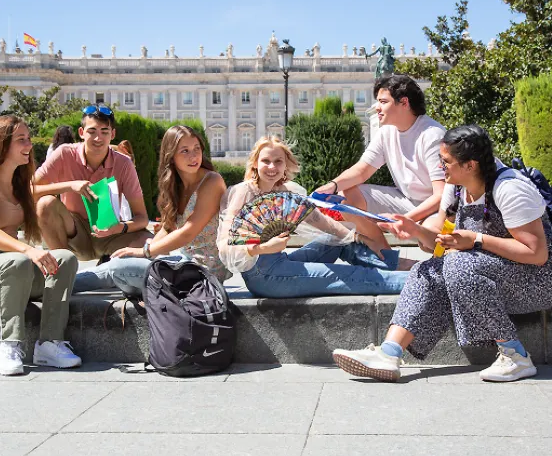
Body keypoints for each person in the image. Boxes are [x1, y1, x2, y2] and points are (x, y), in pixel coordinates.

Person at [333, 124, 552, 383]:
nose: (440, 167)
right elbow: (435, 242)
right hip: (490, 272)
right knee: (427, 270)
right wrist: (413, 229)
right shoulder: (457, 186)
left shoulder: (510, 189)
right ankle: (389, 354)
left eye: (446, 161)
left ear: (470, 165)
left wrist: (477, 240)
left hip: (538, 281)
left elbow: (537, 254)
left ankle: (515, 356)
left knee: (459, 265)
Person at [0, 116, 81, 376]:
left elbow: (44, 189)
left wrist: (73, 185)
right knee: (18, 260)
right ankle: (9, 345)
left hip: (13, 269)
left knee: (65, 259)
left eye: (29, 139)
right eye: (21, 139)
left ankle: (49, 344)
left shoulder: (18, 182)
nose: (29, 145)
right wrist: (29, 250)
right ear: (0, 144)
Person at [217, 136, 412, 299]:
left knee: (337, 239)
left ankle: (399, 266)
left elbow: (321, 222)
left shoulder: (284, 192)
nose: (272, 167)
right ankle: (418, 282)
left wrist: (358, 237)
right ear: (255, 164)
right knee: (352, 276)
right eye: (265, 161)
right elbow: (225, 243)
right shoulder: (244, 192)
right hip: (263, 276)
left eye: (278, 161)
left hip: (281, 262)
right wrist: (262, 248)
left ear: (286, 165)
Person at [72, 125, 229, 294]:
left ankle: (58, 286)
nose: (193, 156)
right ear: (171, 156)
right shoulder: (176, 186)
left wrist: (144, 251)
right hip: (182, 264)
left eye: (197, 148)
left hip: (203, 273)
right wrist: (141, 252)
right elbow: (168, 228)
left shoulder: (211, 181)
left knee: (117, 269)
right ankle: (59, 284)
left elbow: (187, 232)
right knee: (122, 267)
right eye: (184, 151)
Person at [315, 74, 446, 248]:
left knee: (429, 241)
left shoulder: (432, 135)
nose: (377, 107)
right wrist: (333, 185)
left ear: (404, 103)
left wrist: (407, 220)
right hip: (406, 200)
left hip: (437, 208)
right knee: (347, 194)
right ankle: (386, 256)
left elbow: (441, 195)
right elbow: (362, 170)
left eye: (383, 102)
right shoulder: (386, 132)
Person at [34, 105, 152, 261]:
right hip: (74, 232)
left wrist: (120, 227)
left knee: (152, 245)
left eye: (104, 132)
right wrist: (69, 186)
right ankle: (63, 266)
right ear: (81, 133)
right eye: (92, 132)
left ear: (113, 134)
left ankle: (108, 263)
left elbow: (142, 218)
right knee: (45, 204)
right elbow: (30, 190)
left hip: (111, 232)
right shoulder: (64, 153)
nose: (98, 138)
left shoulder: (124, 163)